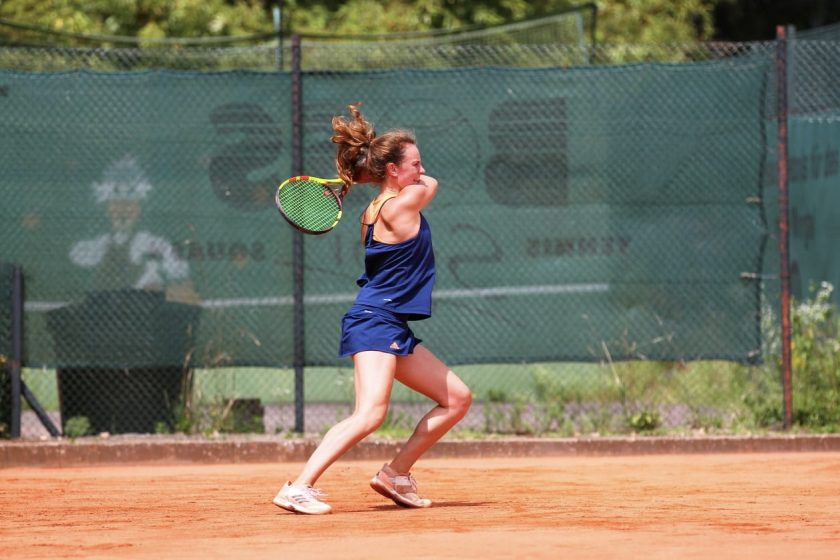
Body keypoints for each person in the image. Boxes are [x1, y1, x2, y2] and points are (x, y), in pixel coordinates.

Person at [273, 104, 472, 515]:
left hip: (389, 322)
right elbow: (431, 184)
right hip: (375, 321)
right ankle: (299, 486)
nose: (422, 170)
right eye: (414, 164)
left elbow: (415, 180)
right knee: (369, 414)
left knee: (456, 398)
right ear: (394, 171)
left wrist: (374, 175)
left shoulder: (373, 209)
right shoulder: (400, 206)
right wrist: (385, 177)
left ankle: (396, 474)